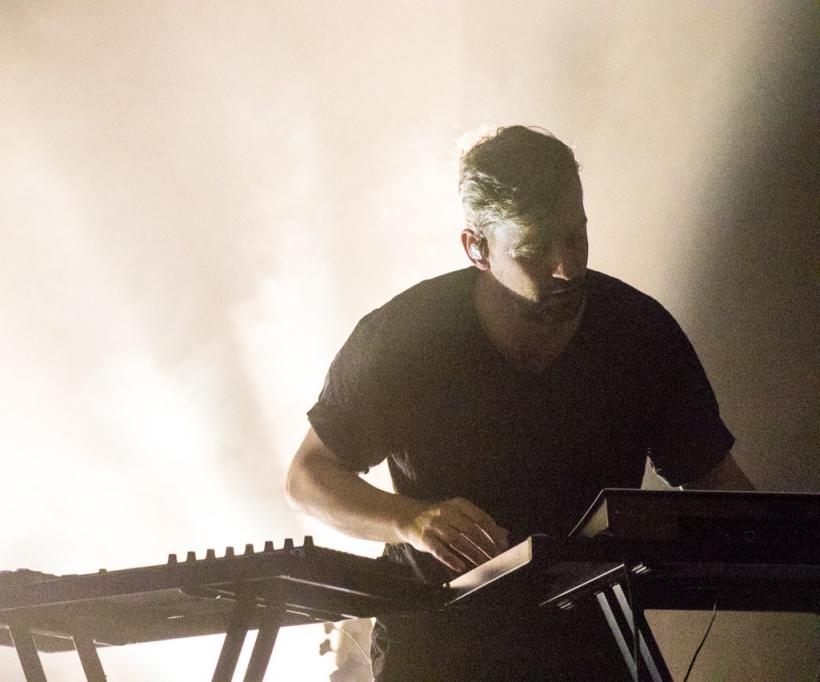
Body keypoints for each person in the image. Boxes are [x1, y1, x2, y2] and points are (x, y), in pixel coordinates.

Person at [285, 126, 753, 681]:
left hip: (590, 636)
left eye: (576, 237)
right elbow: (307, 478)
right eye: (533, 251)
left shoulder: (641, 334)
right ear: (476, 248)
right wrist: (410, 520)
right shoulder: (403, 338)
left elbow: (722, 490)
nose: (567, 267)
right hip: (436, 639)